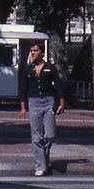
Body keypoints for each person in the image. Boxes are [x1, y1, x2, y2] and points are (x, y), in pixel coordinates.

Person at [18, 43, 66, 176]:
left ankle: (44, 160)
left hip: (48, 101)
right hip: (33, 102)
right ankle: (41, 166)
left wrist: (61, 102)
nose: (33, 53)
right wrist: (23, 107)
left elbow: (58, 85)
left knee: (49, 135)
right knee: (36, 136)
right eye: (31, 51)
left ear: (42, 52)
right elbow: (23, 89)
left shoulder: (50, 68)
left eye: (36, 51)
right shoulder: (27, 69)